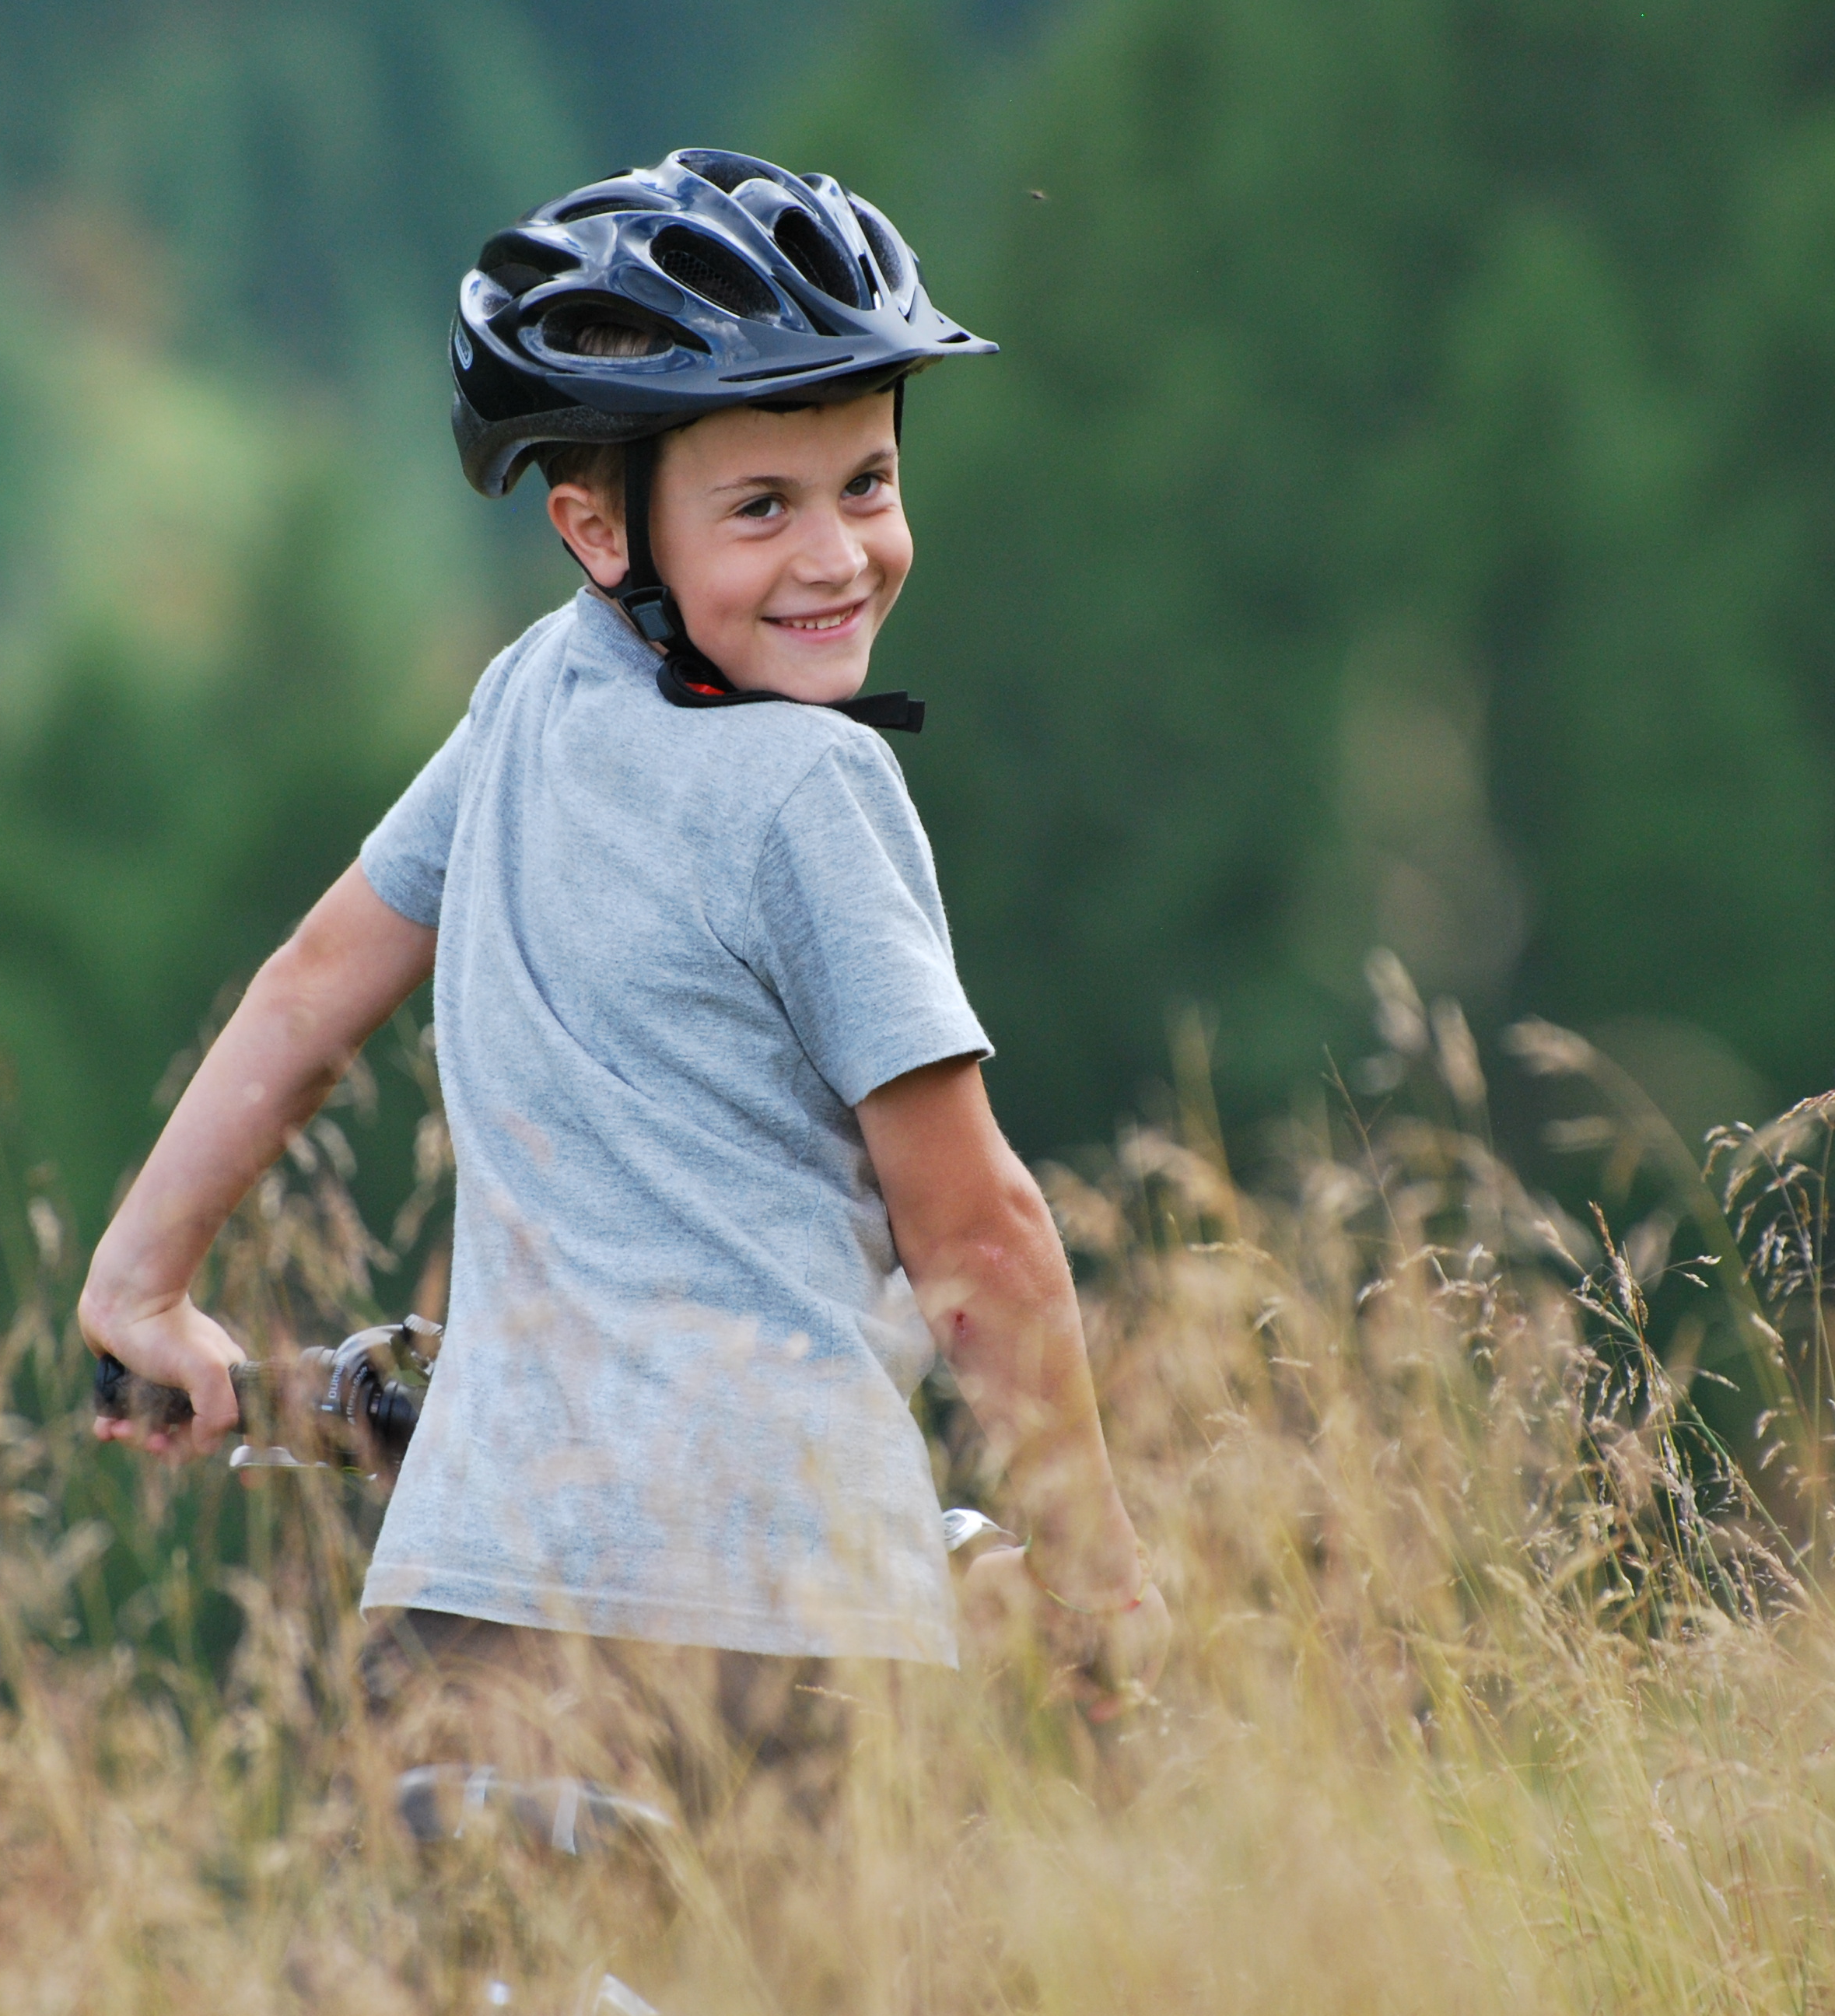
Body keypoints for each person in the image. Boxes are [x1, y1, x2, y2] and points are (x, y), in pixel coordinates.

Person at [77, 149, 1167, 1810]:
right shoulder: (809, 786)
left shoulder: (527, 701)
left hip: (459, 1622)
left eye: (866, 482)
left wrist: (144, 1286)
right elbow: (978, 1238)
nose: (836, 557)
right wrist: (1100, 1592)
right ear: (597, 527)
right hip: (769, 1629)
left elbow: (310, 988)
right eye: (761, 507)